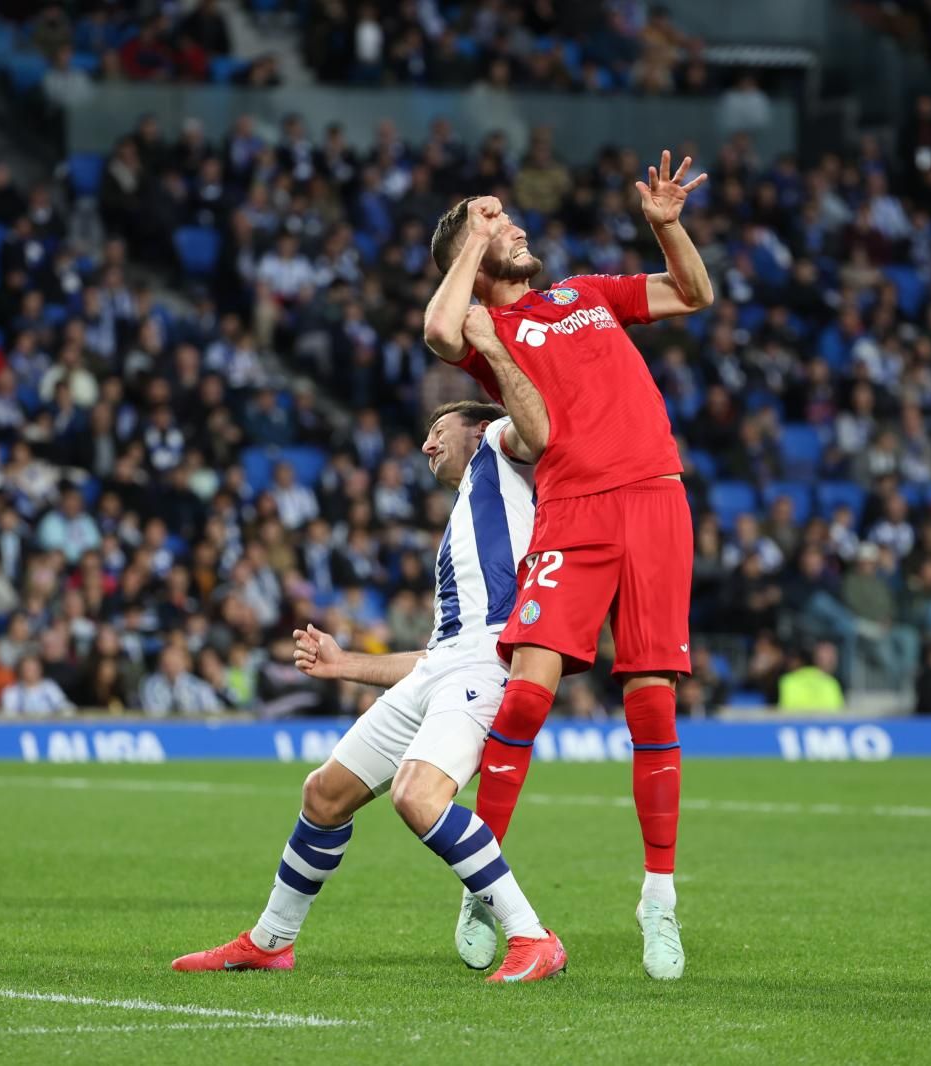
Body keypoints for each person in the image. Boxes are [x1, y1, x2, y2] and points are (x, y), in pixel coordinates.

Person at [423, 149, 713, 979]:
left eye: (506, 218)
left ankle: (659, 897)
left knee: (652, 703)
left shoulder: (583, 294)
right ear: (470, 261)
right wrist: (471, 244)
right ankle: (487, 886)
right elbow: (439, 330)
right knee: (527, 691)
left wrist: (669, 229)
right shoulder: (484, 330)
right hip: (573, 509)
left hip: (655, 496)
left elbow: (694, 293)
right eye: (494, 221)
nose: (512, 225)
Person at [170, 402, 567, 983]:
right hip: (448, 667)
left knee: (417, 796)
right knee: (324, 795)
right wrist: (344, 664)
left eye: (437, 433)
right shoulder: (466, 512)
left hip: (487, 665)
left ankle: (532, 936)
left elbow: (537, 424)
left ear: (479, 428)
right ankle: (270, 942)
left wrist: (494, 337)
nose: (427, 447)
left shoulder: (499, 450)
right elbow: (437, 656)